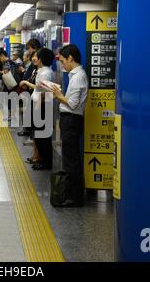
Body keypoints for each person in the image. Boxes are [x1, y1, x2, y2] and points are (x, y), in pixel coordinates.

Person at [51, 44, 88, 207]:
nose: (62, 65)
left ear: (71, 58)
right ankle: (73, 195)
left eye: (63, 61)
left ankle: (75, 197)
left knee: (71, 160)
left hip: (71, 120)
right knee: (70, 158)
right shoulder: (75, 75)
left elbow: (72, 103)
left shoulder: (78, 76)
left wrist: (58, 95)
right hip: (71, 120)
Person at [20, 48, 55, 170]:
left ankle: (45, 163)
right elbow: (39, 88)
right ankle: (42, 160)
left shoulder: (45, 73)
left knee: (42, 137)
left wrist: (37, 107)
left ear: (41, 59)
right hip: (40, 104)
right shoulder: (42, 71)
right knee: (40, 136)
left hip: (42, 105)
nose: (34, 58)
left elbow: (44, 92)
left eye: (37, 56)